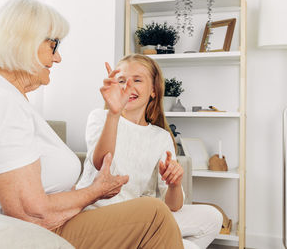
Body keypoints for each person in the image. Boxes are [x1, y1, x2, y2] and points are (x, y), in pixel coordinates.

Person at [0, 0, 184, 248]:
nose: (58, 58)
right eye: (53, 46)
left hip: (45, 224)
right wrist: (95, 192)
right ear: (26, 42)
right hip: (13, 233)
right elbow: (29, 212)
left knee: (155, 215)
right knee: (154, 215)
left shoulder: (6, 96)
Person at [76, 54, 223, 249]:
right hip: (99, 217)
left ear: (153, 90)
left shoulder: (161, 137)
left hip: (138, 219)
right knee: (189, 247)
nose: (128, 86)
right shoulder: (101, 117)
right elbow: (102, 162)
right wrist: (114, 113)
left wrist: (174, 185)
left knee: (212, 217)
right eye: (121, 80)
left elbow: (173, 206)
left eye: (137, 80)